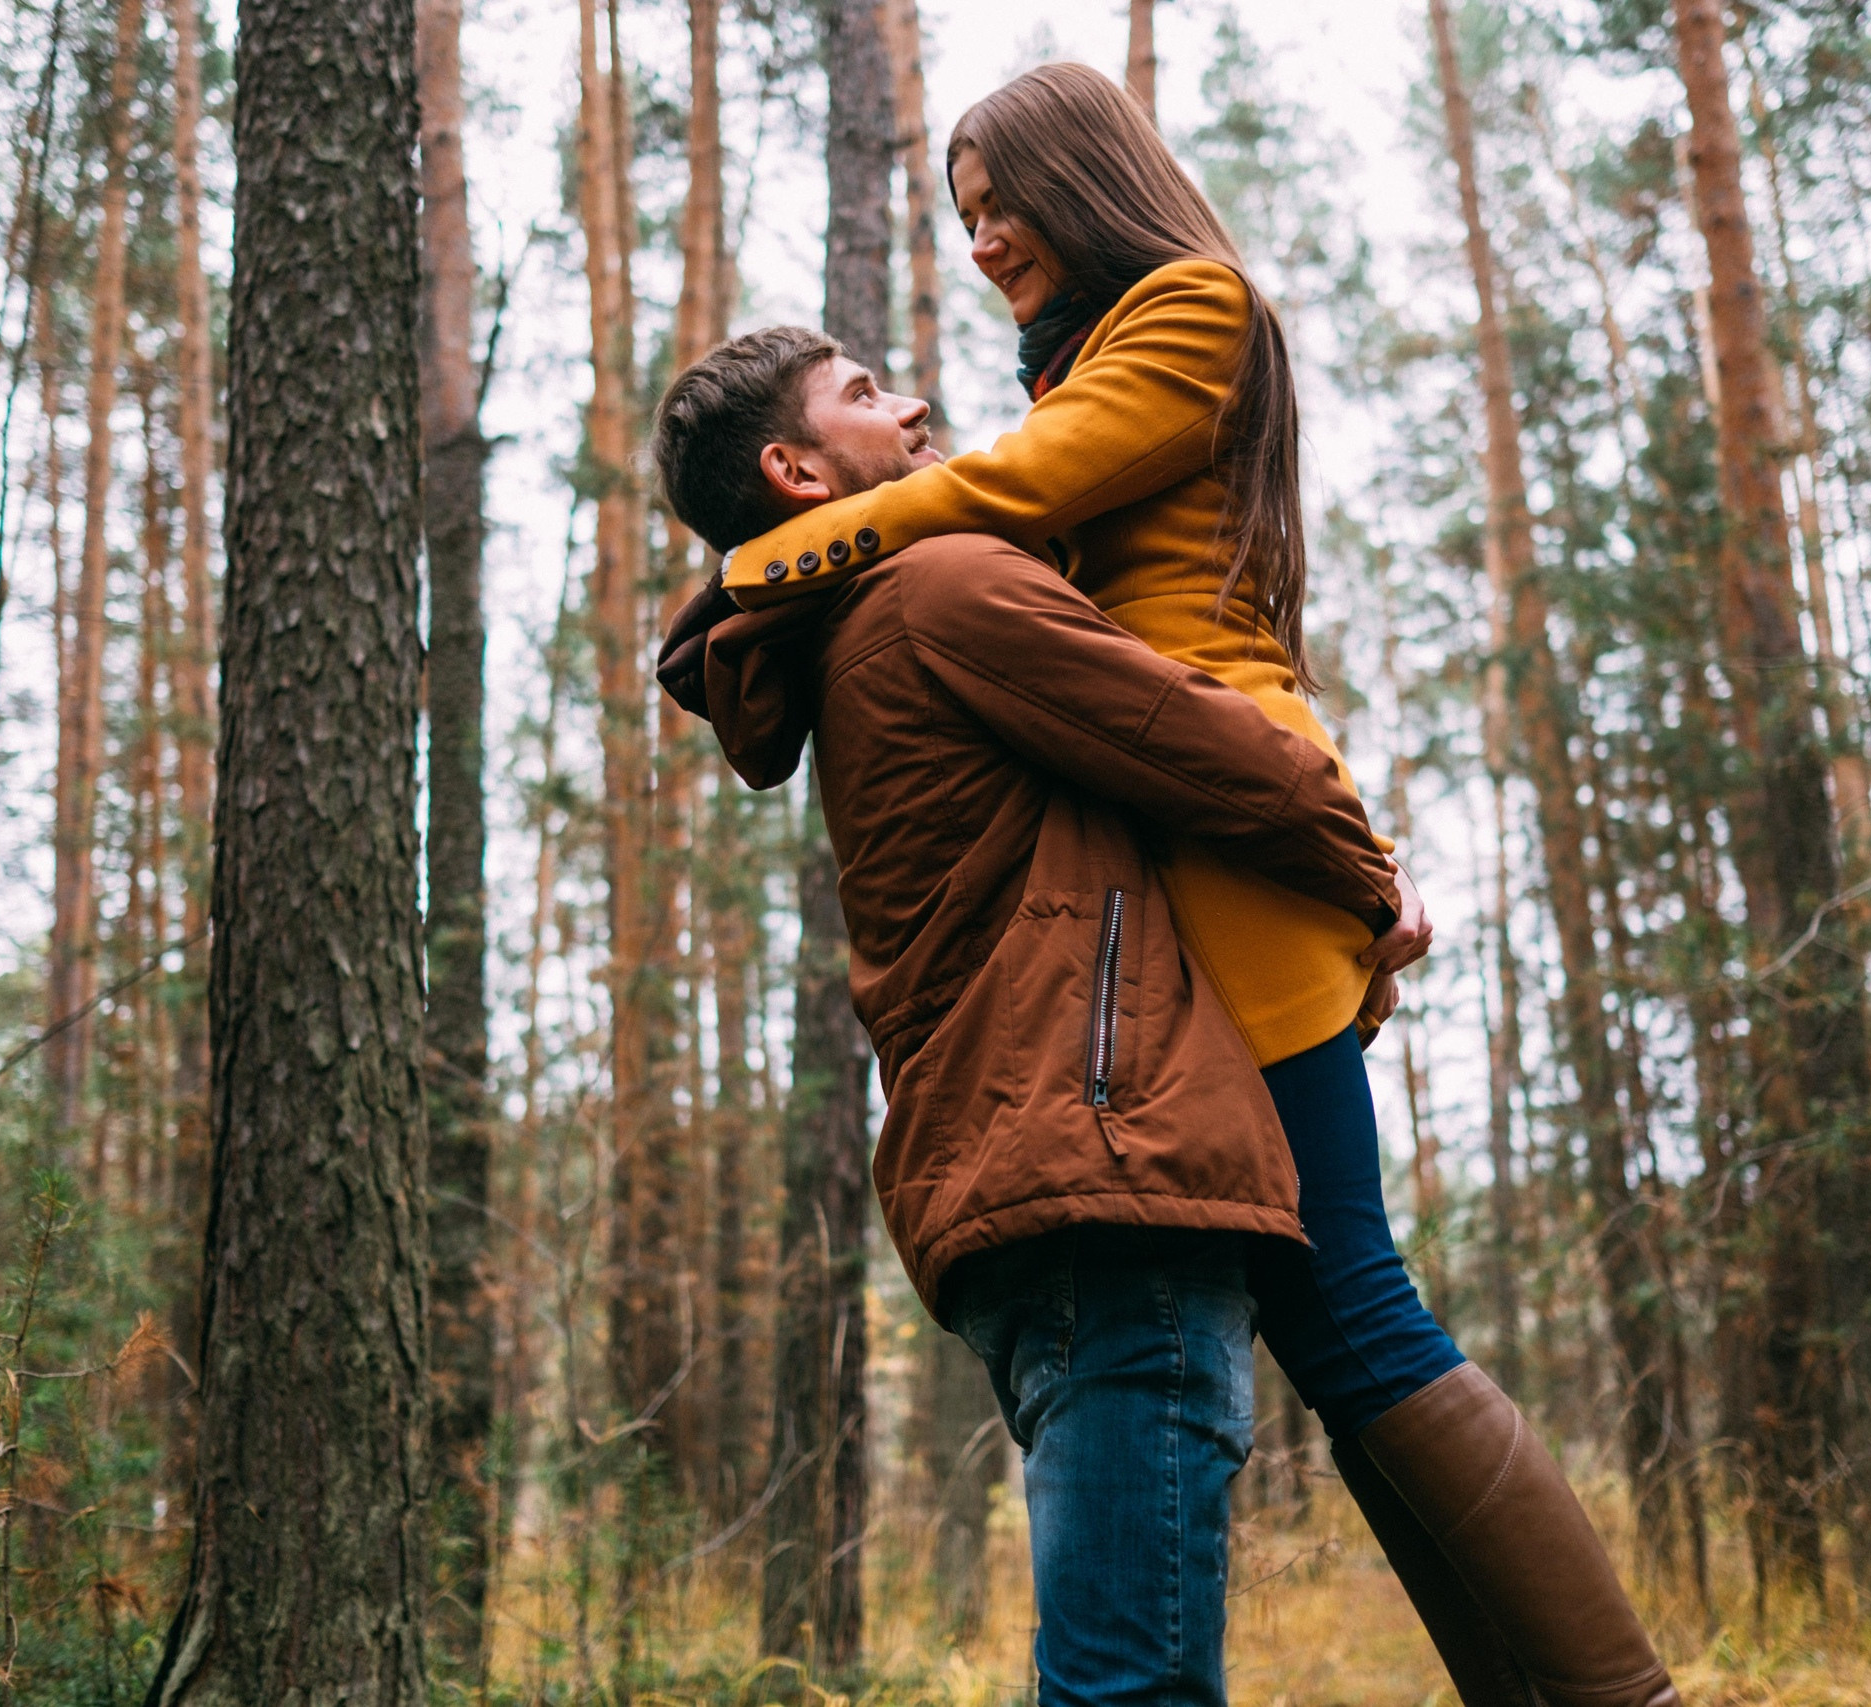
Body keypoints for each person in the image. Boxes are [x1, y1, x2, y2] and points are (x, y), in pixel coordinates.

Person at [697, 62, 1679, 1707]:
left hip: (1232, 826)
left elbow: (1006, 503)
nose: (987, 238)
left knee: (1353, 1301)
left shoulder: (1189, 308)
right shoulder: (1072, 374)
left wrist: (772, 560)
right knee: (1339, 1311)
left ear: (1085, 174)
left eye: (1001, 199)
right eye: (966, 217)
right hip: (1193, 838)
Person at [652, 324, 1411, 1704]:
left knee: (1114, 1670)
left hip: (1043, 1183)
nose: (917, 400)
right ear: (795, 469)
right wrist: (1371, 883)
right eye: (866, 395)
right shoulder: (939, 588)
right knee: (1134, 1687)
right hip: (1105, 1172)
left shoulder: (850, 630)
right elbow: (1210, 748)